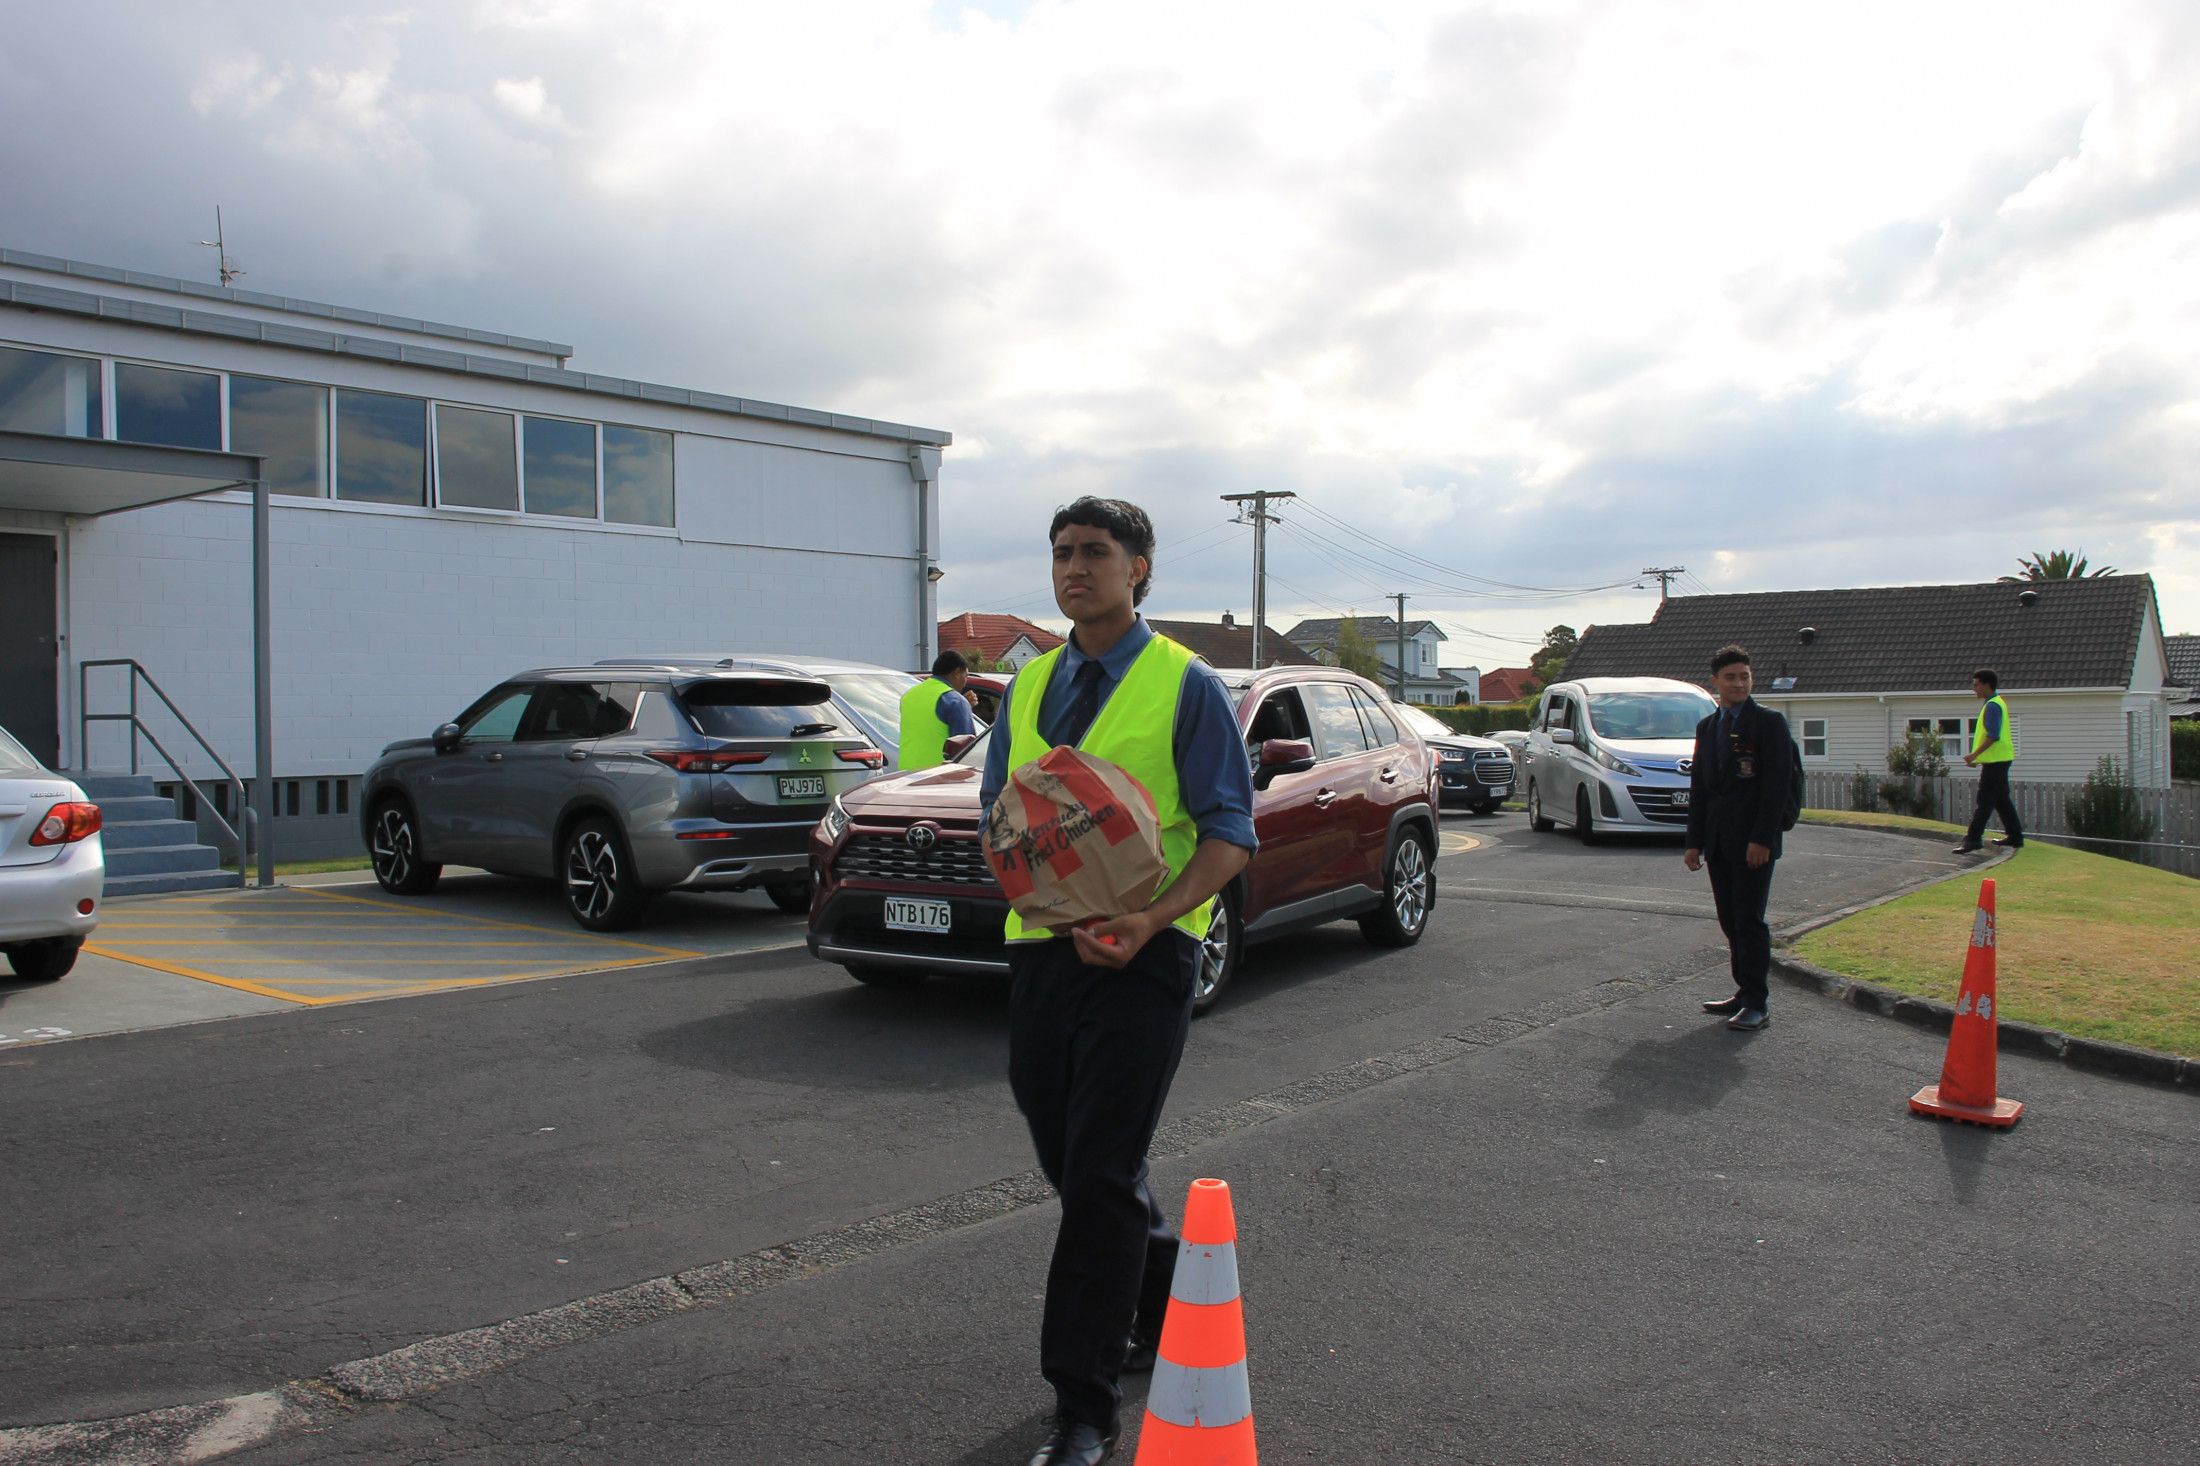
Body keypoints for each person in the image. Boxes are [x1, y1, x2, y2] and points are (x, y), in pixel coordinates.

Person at [981, 497, 1257, 1466]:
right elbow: (1001, 815)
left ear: (1138, 568)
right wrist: (1036, 891)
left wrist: (1147, 918)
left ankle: (1083, 1407)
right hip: (1041, 950)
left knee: (1099, 1172)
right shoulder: (1027, 684)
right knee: (1072, 1161)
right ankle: (1168, 1287)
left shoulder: (1186, 684)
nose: (1074, 567)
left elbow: (1230, 834)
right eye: (1061, 551)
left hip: (1146, 953)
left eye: (1094, 552)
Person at [1683, 644, 1794, 1033]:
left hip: (1753, 843)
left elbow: (1777, 787)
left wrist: (1762, 838)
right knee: (1730, 919)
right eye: (1730, 677)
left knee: (1749, 919)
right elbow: (1702, 788)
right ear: (1715, 681)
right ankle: (1743, 990)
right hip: (1719, 841)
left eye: (1744, 676)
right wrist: (1694, 841)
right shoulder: (1708, 727)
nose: (1739, 684)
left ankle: (1757, 1002)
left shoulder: (1769, 723)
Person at [1954, 668, 2023, 854]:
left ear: (1987, 685)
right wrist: (1978, 758)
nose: (1974, 688)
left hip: (1996, 762)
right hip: (2000, 759)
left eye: (1976, 684)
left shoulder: (1992, 706)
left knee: (1984, 801)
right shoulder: (1996, 703)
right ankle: (2015, 836)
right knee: (2001, 800)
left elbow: (1993, 736)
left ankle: (1973, 839)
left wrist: (1974, 755)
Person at [897, 649, 976, 770]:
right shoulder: (956, 701)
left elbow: (927, 726)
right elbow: (965, 751)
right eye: (966, 676)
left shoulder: (908, 696)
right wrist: (964, 706)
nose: (965, 682)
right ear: (956, 673)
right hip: (938, 776)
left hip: (905, 774)